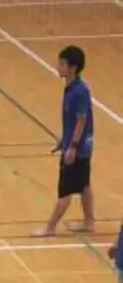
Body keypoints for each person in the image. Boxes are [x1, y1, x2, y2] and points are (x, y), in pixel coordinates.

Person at [35, 45, 95, 237]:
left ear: (73, 68)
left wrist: (72, 147)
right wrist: (64, 139)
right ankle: (89, 223)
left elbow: (82, 119)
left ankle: (50, 227)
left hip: (78, 148)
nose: (58, 67)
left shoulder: (79, 92)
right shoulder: (72, 88)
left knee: (65, 191)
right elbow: (73, 120)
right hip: (80, 145)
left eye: (62, 64)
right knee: (84, 185)